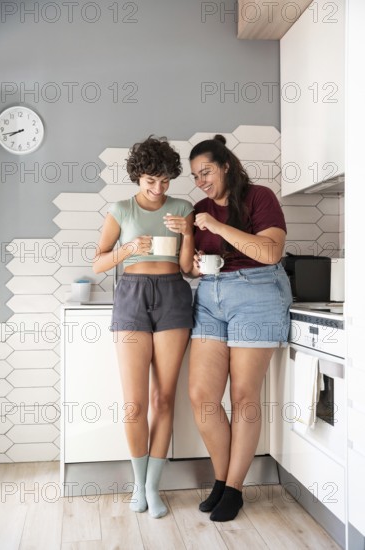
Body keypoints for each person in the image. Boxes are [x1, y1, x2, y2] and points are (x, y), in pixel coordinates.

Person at [188, 134, 292, 522]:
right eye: (196, 176)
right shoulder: (197, 208)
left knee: (245, 396)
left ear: (226, 165)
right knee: (202, 397)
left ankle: (234, 487)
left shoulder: (259, 197)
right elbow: (190, 264)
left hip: (258, 292)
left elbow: (270, 252)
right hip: (211, 296)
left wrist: (216, 224)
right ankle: (221, 478)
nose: (201, 181)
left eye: (207, 171)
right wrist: (195, 264)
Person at [93, 136, 194, 518]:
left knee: (163, 400)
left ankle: (154, 487)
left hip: (173, 295)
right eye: (151, 180)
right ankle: (138, 484)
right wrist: (128, 250)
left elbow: (186, 268)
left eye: (165, 181)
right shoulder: (120, 209)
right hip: (132, 295)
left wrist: (185, 232)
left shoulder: (183, 208)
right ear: (138, 176)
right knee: (135, 404)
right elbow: (99, 263)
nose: (158, 189)